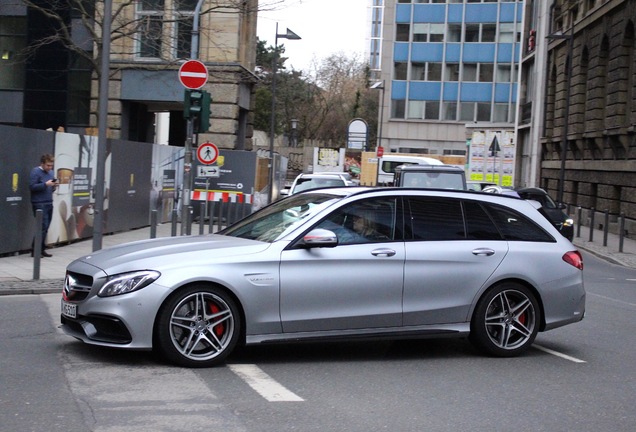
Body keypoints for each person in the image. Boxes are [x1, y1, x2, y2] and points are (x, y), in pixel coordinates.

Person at [29, 154, 58, 257]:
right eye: (48, 165)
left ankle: (41, 249)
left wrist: (54, 186)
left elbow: (50, 187)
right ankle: (35, 250)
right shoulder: (35, 172)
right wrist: (45, 184)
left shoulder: (51, 173)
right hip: (39, 203)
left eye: (51, 166)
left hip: (49, 202)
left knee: (46, 227)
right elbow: (32, 187)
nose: (49, 168)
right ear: (42, 164)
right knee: (41, 226)